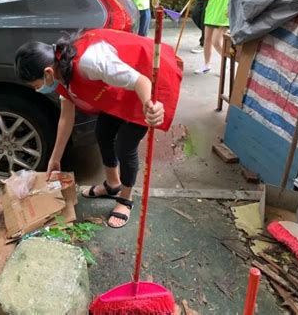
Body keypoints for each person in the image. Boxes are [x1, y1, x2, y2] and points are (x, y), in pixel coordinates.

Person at [15, 29, 182, 228]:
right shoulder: (60, 74)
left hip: (147, 75)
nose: (37, 90)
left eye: (36, 85)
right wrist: (55, 158)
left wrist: (149, 104)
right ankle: (113, 184)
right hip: (120, 88)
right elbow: (66, 119)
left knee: (125, 144)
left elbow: (140, 81)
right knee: (102, 133)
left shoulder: (89, 61)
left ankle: (125, 199)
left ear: (48, 72)